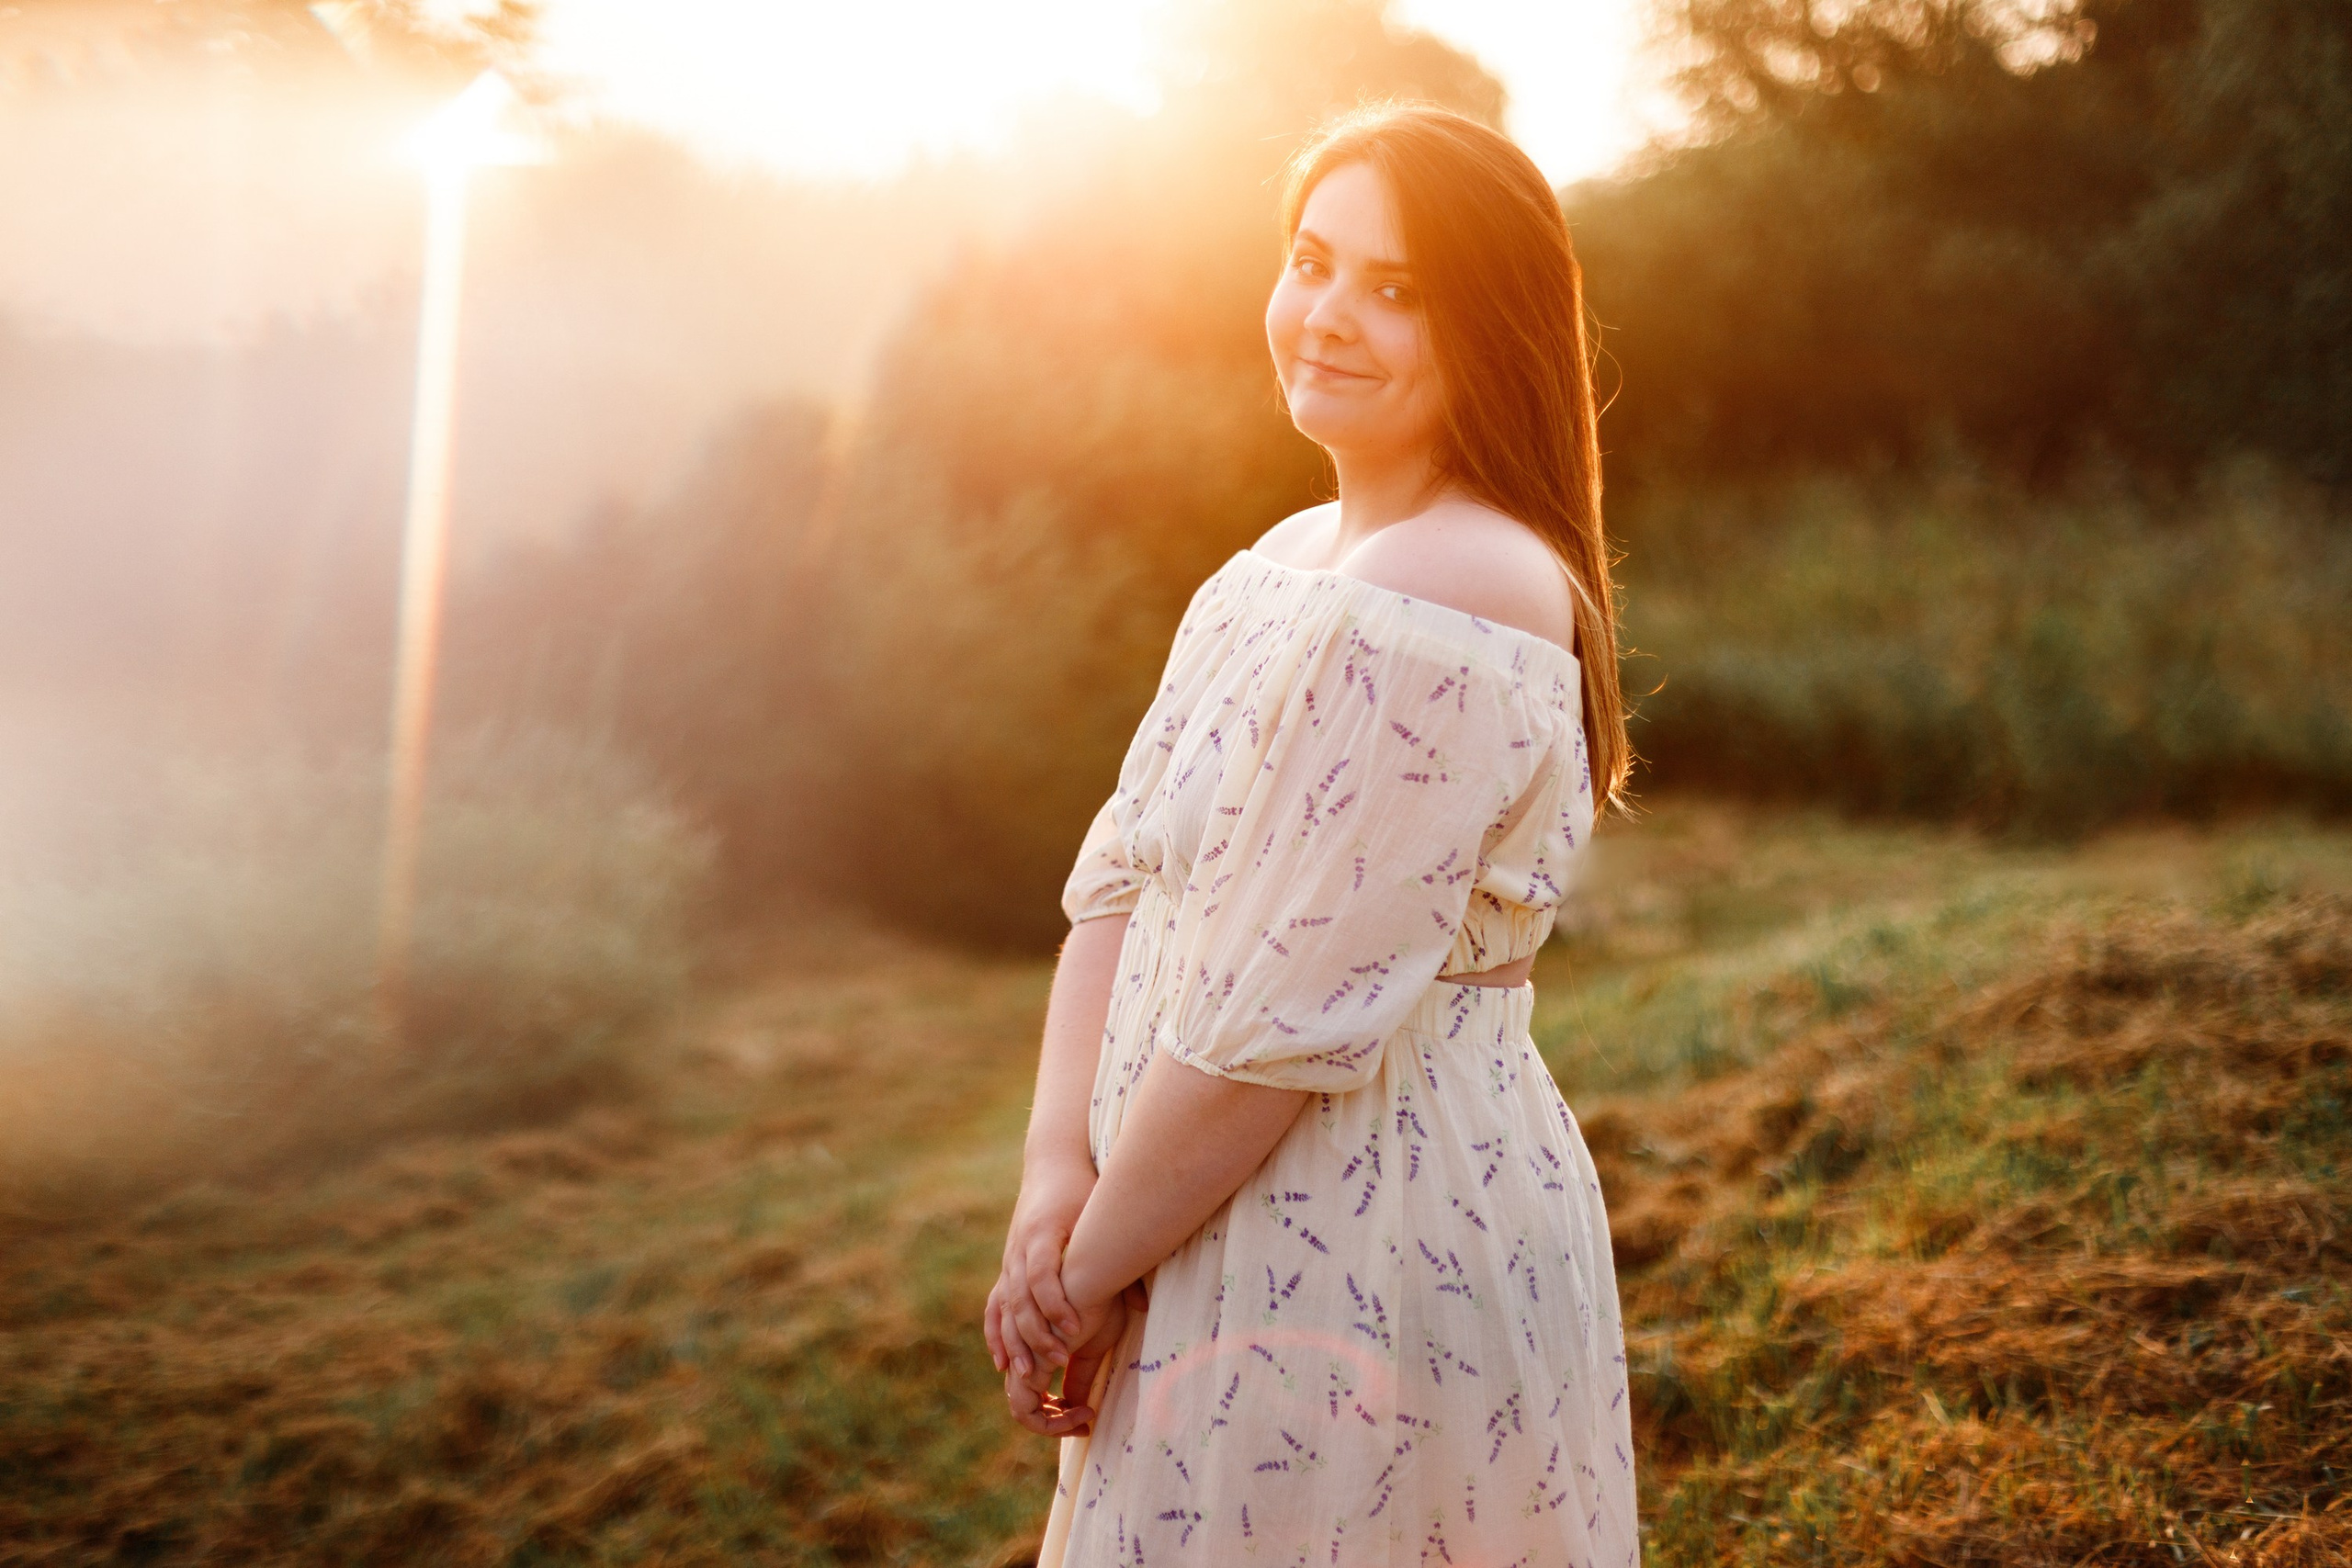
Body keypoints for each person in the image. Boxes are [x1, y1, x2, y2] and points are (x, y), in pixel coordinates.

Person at [982, 99, 1639, 1568]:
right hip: (1185, 1209)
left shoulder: (1458, 585)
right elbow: (1120, 887)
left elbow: (1272, 1027)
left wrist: (1081, 1276)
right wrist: (1051, 1183)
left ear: (1495, 327)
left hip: (1358, 1238)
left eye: (1396, 289)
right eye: (1312, 261)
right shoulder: (1281, 563)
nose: (1328, 315)